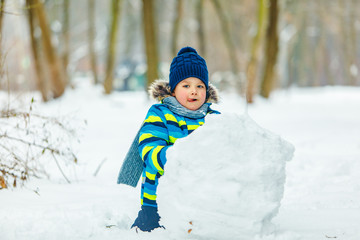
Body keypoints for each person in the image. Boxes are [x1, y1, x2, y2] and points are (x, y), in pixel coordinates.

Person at [131, 46, 220, 232]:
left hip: (202, 201)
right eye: (186, 85)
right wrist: (181, 158)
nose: (193, 91)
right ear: (173, 90)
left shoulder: (214, 118)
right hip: (157, 202)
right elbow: (149, 151)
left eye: (200, 86)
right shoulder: (160, 114)